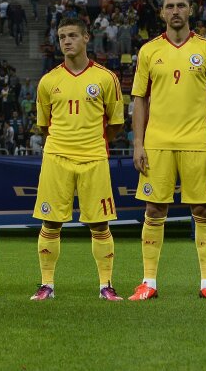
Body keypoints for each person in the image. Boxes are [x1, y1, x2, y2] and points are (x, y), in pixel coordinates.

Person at [130, 0, 206, 302]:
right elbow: (139, 100)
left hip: (197, 142)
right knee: (154, 209)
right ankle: (148, 282)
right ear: (162, 12)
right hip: (157, 142)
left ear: (190, 10)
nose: (175, 11)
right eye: (170, 6)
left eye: (181, 5)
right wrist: (138, 144)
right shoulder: (148, 51)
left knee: (203, 209)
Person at [28, 18, 125, 302]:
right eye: (62, 37)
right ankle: (46, 285)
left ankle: (106, 285)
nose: (66, 41)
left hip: (94, 158)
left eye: (72, 35)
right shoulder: (48, 81)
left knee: (100, 224)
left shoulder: (106, 78)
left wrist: (92, 141)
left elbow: (116, 123)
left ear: (86, 38)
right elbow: (44, 125)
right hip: (57, 157)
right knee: (50, 222)